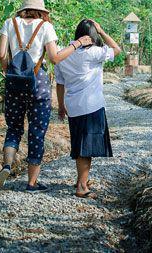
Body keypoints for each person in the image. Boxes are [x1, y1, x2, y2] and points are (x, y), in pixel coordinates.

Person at [0, 0, 92, 192]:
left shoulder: (9, 23)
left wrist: (9, 71)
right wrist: (77, 44)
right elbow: (55, 58)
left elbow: (2, 54)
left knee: (13, 127)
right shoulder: (45, 27)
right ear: (41, 11)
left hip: (14, 81)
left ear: (23, 9)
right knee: (37, 131)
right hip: (37, 82)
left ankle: (6, 165)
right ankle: (31, 183)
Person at [54, 19, 121, 198]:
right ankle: (82, 187)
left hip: (73, 107)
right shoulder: (94, 52)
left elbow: (60, 84)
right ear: (92, 36)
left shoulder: (63, 54)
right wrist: (102, 31)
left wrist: (61, 106)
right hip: (91, 106)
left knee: (80, 145)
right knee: (86, 148)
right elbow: (117, 50)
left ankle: (80, 180)